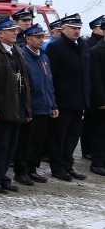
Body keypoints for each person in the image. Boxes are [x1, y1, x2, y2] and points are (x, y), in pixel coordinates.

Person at [0, 19, 32, 194]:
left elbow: (24, 81)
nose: (15, 33)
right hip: (1, 108)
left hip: (16, 105)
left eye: (15, 31)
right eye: (11, 31)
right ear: (0, 34)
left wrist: (27, 108)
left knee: (10, 145)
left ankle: (2, 176)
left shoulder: (17, 50)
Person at [45, 13, 90, 181]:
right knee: (59, 136)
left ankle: (68, 164)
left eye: (78, 28)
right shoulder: (55, 48)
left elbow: (86, 74)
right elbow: (51, 76)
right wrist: (53, 101)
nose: (76, 31)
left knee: (72, 136)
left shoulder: (83, 46)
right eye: (73, 28)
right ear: (63, 29)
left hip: (79, 100)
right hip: (62, 100)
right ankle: (57, 167)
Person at [14, 24, 58, 185]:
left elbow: (49, 82)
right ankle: (21, 171)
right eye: (37, 37)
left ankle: (32, 169)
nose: (41, 40)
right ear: (28, 39)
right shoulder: (23, 56)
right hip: (31, 107)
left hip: (44, 106)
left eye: (42, 37)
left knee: (38, 141)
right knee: (26, 142)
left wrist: (53, 104)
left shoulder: (44, 56)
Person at [88, 32, 105, 176]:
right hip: (101, 100)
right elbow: (95, 78)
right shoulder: (96, 51)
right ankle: (97, 162)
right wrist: (101, 100)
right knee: (100, 132)